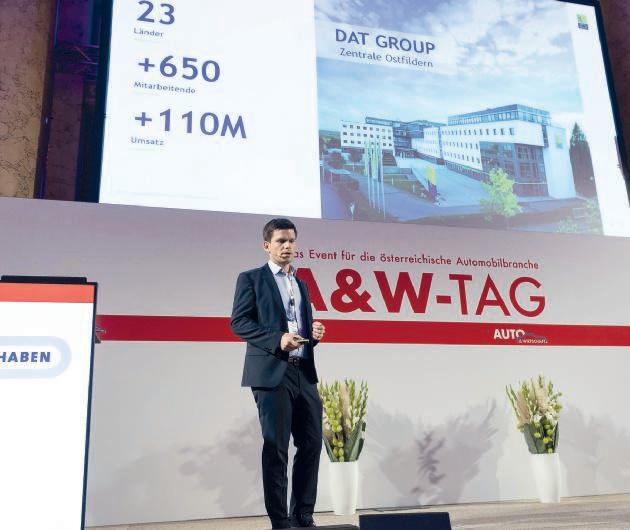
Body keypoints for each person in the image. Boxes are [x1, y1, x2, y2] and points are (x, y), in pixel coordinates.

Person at [231, 218, 326, 529]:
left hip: (303, 371)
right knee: (276, 447)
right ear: (266, 245)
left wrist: (313, 333)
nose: (287, 246)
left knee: (311, 443)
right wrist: (278, 339)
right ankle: (281, 520)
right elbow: (239, 322)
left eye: (291, 241)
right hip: (271, 373)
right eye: (281, 241)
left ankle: (303, 514)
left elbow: (298, 326)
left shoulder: (301, 284)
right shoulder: (251, 279)